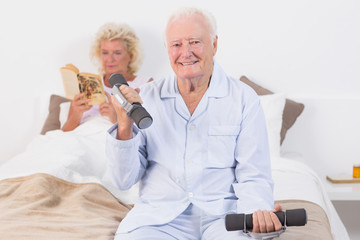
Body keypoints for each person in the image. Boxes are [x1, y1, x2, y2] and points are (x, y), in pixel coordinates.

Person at [106, 7, 283, 240]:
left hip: (224, 219)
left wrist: (257, 216)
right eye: (176, 45)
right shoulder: (147, 97)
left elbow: (254, 174)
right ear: (168, 50)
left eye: (195, 42)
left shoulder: (243, 98)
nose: (185, 53)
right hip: (159, 220)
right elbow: (123, 180)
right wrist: (124, 123)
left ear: (214, 44)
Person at [62, 22, 152, 131]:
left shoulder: (144, 84)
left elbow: (148, 130)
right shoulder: (85, 83)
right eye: (105, 53)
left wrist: (116, 118)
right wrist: (76, 114)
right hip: (80, 137)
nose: (110, 59)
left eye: (117, 53)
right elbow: (65, 132)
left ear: (130, 55)